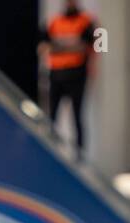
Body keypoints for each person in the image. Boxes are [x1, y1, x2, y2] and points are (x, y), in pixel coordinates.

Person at [40, 1, 99, 158]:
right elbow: (43, 46)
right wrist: (73, 46)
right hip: (56, 74)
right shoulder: (54, 22)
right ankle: (50, 151)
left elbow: (99, 45)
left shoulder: (87, 21)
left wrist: (63, 47)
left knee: (77, 116)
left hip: (77, 74)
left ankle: (80, 154)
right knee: (52, 116)